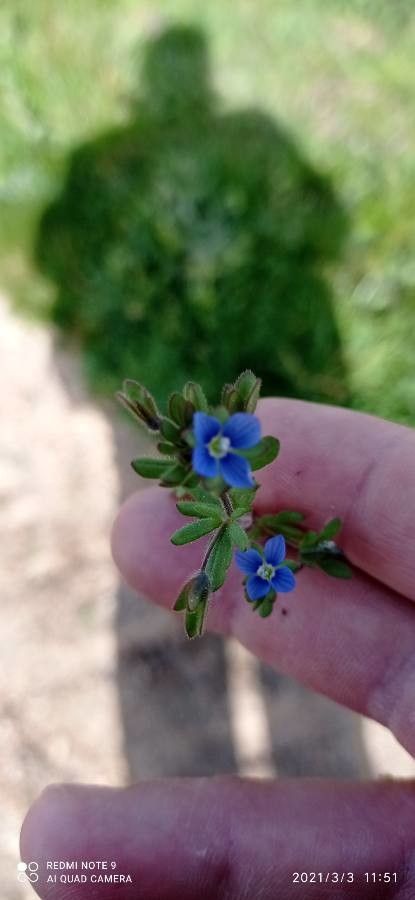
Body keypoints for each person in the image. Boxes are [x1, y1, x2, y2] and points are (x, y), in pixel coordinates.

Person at [21, 399, 415, 898]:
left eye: (220, 441)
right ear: (205, 443)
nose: (218, 444)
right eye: (211, 442)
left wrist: (261, 540)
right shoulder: (216, 469)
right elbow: (218, 482)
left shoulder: (237, 484)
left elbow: (244, 503)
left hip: (244, 513)